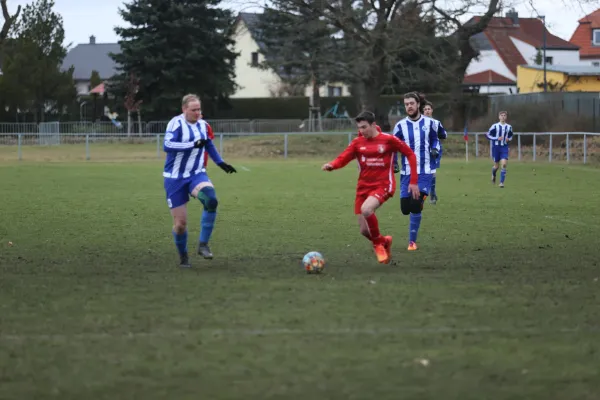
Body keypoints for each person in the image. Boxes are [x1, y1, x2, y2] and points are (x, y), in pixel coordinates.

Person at [322, 111, 420, 264]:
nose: (361, 131)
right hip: (363, 188)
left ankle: (378, 245)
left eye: (364, 127)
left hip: (383, 185)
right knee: (364, 230)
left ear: (373, 125)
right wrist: (332, 165)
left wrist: (413, 181)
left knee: (367, 210)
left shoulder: (388, 140)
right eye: (359, 128)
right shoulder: (357, 142)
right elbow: (344, 157)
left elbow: (410, 154)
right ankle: (384, 241)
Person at [163, 94, 237, 267]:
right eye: (193, 110)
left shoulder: (203, 125)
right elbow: (167, 145)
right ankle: (183, 257)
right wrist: (191, 145)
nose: (197, 113)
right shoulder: (176, 123)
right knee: (180, 225)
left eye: (199, 109)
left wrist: (221, 163)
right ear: (184, 110)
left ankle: (203, 244)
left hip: (196, 174)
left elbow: (208, 144)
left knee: (211, 200)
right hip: (175, 179)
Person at [393, 92, 443, 251]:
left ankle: (412, 242)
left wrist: (435, 148)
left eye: (411, 103)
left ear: (418, 105)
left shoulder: (430, 123)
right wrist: (394, 163)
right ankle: (420, 200)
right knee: (405, 209)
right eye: (406, 104)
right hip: (406, 173)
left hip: (425, 171)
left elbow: (436, 138)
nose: (409, 106)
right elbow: (393, 146)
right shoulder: (400, 126)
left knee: (415, 205)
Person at [422, 101, 447, 204]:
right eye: (425, 109)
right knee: (423, 173)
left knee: (432, 173)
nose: (427, 111)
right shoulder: (419, 123)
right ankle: (425, 194)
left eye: (429, 109)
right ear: (422, 111)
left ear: (432, 110)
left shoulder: (437, 123)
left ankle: (431, 194)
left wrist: (441, 135)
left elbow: (444, 134)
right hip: (422, 150)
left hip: (434, 150)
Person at [486, 111, 513, 188]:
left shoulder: (509, 127)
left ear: (506, 117)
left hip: (504, 147)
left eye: (504, 115)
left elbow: (511, 136)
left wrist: (509, 139)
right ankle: (493, 174)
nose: (503, 117)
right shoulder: (495, 126)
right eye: (502, 115)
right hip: (496, 148)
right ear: (499, 117)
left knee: (504, 164)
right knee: (496, 166)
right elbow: (487, 135)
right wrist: (496, 138)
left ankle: (501, 183)